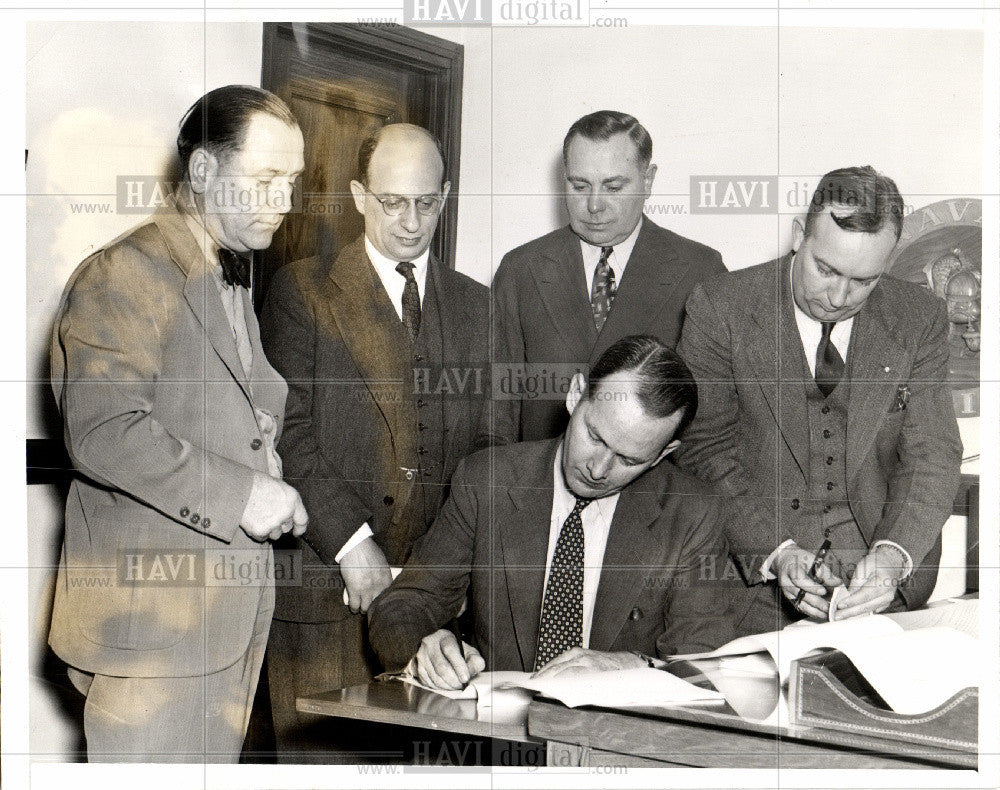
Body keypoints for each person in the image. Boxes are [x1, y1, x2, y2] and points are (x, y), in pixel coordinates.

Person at [48, 85, 308, 762]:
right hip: (156, 640)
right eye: (266, 179)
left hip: (219, 627)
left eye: (293, 182)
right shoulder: (126, 271)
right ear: (202, 172)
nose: (284, 201)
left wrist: (262, 455)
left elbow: (214, 411)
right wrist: (244, 493)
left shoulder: (231, 278)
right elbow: (104, 433)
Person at [260, 123, 489, 759]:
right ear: (360, 196)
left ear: (445, 196)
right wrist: (352, 543)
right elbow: (288, 433)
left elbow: (489, 458)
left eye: (428, 203)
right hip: (326, 598)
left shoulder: (481, 308)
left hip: (433, 609)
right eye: (393, 202)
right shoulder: (302, 291)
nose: (412, 222)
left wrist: (448, 575)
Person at [676, 166, 962, 637]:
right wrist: (777, 552)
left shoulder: (920, 316)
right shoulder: (720, 307)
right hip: (753, 588)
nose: (838, 296)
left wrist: (892, 556)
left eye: (864, 281)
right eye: (825, 270)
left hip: (884, 594)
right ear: (797, 237)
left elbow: (932, 453)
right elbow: (703, 451)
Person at [369, 335, 735, 689]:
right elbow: (404, 603)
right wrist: (424, 647)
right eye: (595, 437)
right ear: (575, 395)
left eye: (629, 459)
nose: (598, 469)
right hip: (499, 741)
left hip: (617, 740)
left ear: (663, 453)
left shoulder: (693, 513)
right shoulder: (487, 481)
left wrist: (637, 667)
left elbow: (705, 663)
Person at [487, 110, 725, 445]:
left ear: (648, 180)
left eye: (613, 186)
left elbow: (711, 420)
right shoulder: (521, 269)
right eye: (579, 185)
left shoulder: (700, 270)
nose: (594, 205)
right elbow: (498, 409)